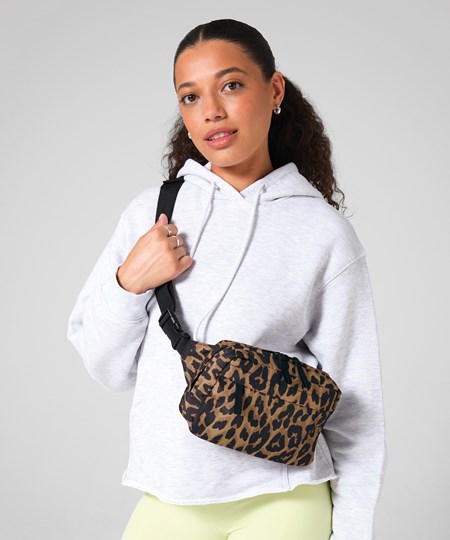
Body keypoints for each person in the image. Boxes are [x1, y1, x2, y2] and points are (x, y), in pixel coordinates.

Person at [67, 18, 387, 540]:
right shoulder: (153, 214)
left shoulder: (323, 233)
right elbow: (107, 369)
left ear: (274, 90)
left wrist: (353, 532)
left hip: (285, 497)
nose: (211, 110)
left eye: (231, 85)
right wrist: (129, 282)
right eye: (190, 96)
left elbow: (356, 405)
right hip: (169, 491)